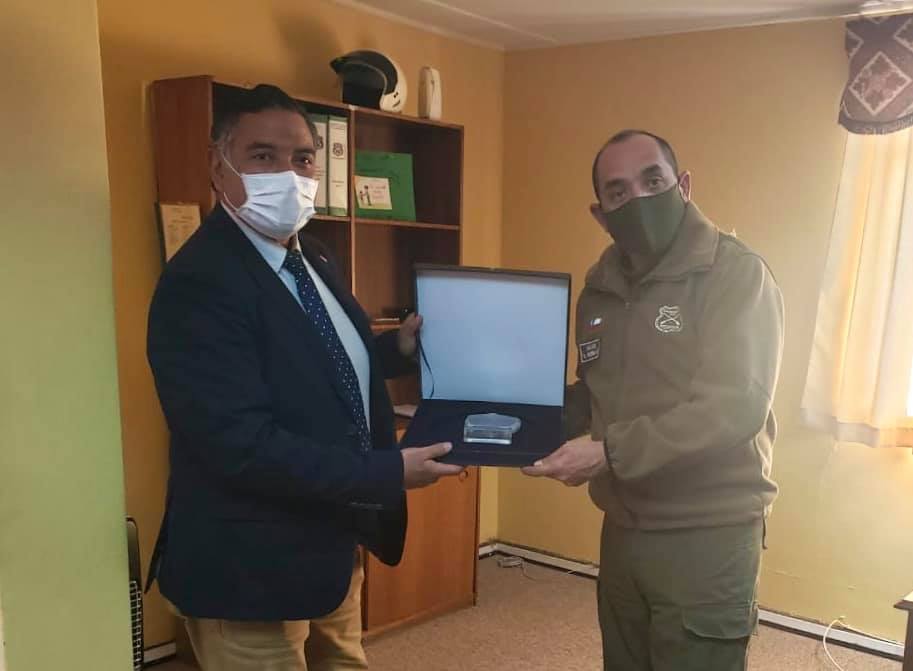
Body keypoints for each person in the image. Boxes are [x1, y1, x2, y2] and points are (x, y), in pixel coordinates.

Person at [145, 84, 463, 670]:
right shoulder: (200, 283)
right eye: (262, 156)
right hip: (249, 568)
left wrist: (396, 349)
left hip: (331, 542)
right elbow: (238, 445)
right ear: (218, 166)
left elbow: (322, 360)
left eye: (302, 158)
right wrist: (387, 471)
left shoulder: (312, 255)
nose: (288, 175)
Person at [524, 130, 784, 670]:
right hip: (623, 526)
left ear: (683, 185)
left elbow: (733, 407)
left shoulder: (735, 274)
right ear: (600, 214)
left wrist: (608, 452)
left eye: (653, 180)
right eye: (618, 192)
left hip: (706, 531)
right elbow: (594, 392)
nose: (638, 198)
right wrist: (517, 420)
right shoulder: (599, 289)